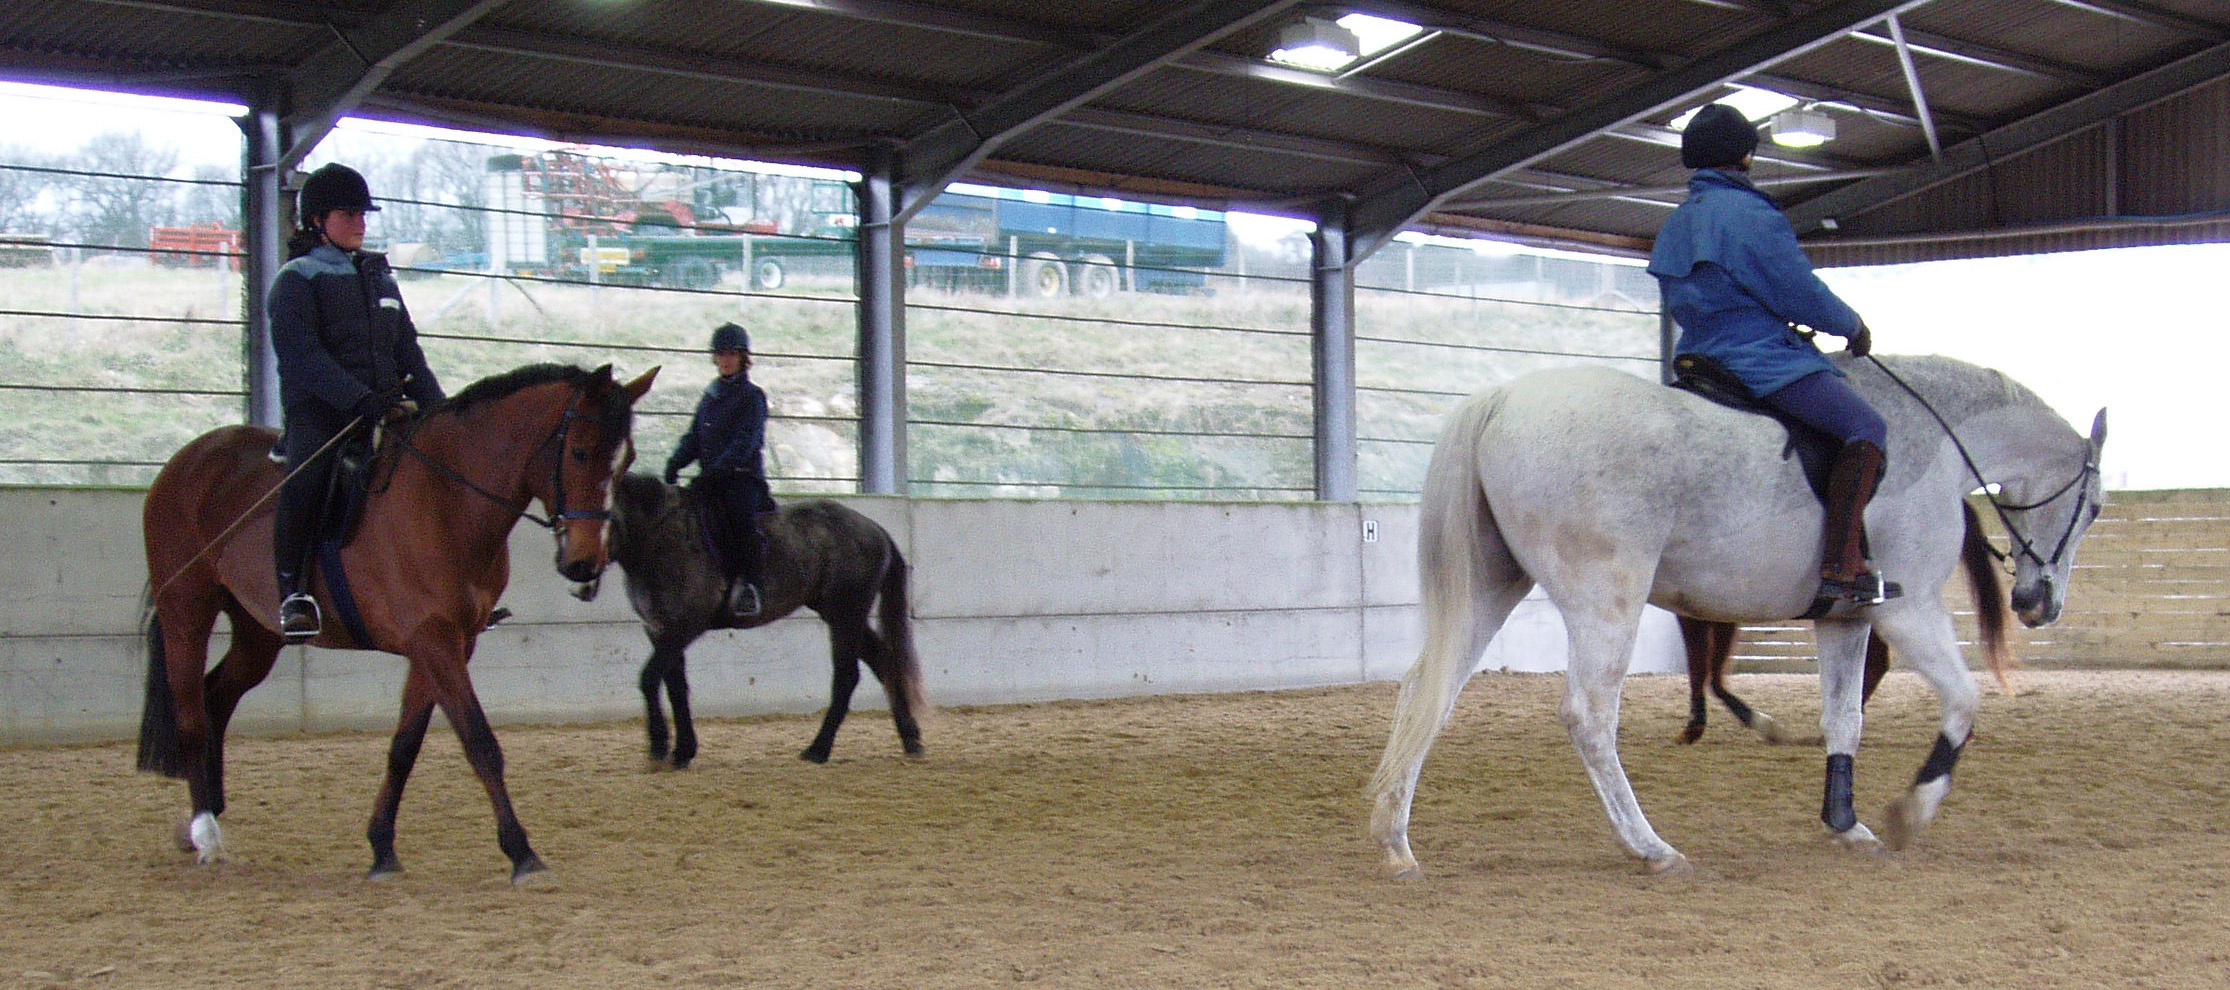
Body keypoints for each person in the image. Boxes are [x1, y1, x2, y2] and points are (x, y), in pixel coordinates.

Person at [1647, 103, 1898, 610]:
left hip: (1697, 356)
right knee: (1866, 427)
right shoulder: (1750, 214)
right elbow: (1797, 290)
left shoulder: (1677, 222)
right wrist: (1851, 326)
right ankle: (1843, 567)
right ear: (1745, 155)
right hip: (1759, 360)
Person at [268, 162, 446, 642]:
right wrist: (361, 400)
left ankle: (450, 591)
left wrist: (440, 409)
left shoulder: (379, 277)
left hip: (384, 405)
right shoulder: (296, 279)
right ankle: (293, 592)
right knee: (309, 475)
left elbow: (407, 348)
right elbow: (303, 357)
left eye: (363, 215)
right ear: (317, 221)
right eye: (349, 214)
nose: (360, 223)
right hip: (322, 410)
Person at [665, 322, 777, 619]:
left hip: (742, 478)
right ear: (715, 358)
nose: (726, 359)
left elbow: (745, 440)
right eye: (721, 354)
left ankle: (750, 587)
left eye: (732, 354)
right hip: (710, 478)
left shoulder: (753, 396)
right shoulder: (710, 396)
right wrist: (676, 461)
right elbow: (694, 437)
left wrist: (718, 469)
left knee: (741, 521)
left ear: (742, 358)